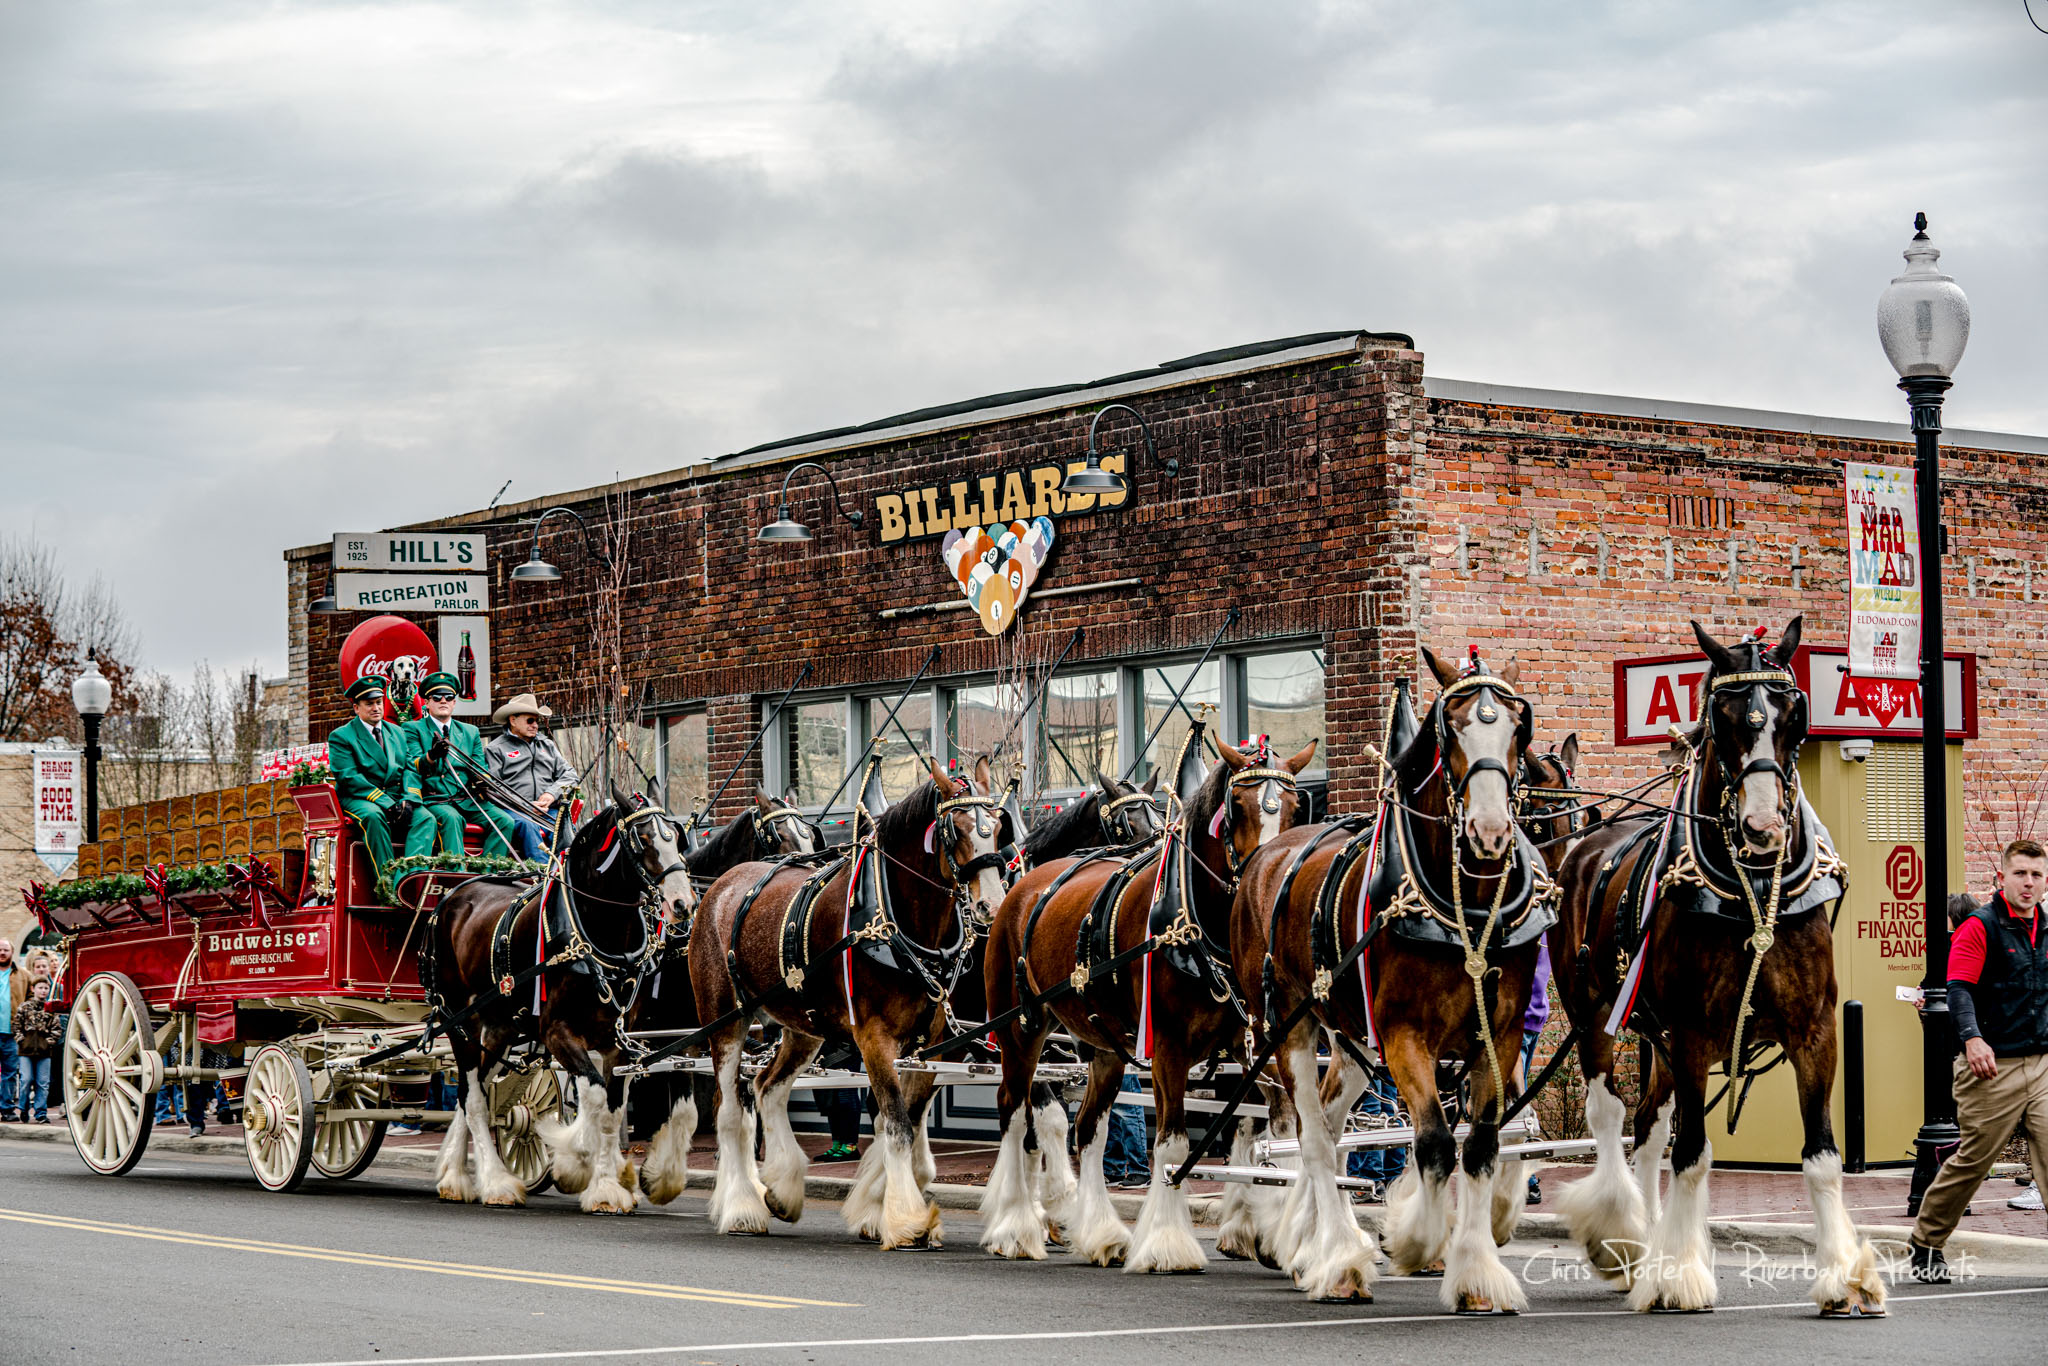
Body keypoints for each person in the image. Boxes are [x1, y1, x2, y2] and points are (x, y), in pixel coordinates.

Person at [1909, 839, 2048, 1283]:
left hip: (2042, 1064)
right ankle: (1926, 1243)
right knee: (1972, 1161)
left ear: (2045, 882)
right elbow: (1959, 989)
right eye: (2020, 874)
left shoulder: (2046, 928)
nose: (2028, 883)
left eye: (2036, 875)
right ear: (2002, 878)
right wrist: (1972, 1039)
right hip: (1992, 1068)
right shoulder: (1979, 926)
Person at [328, 676, 437, 875]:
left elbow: (409, 768)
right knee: (374, 817)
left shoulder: (397, 731)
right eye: (369, 704)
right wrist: (387, 803)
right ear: (356, 708)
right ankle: (386, 884)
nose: (376, 708)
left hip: (396, 796)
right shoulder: (341, 736)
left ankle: (409, 879)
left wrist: (409, 799)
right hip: (360, 797)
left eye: (378, 702)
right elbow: (349, 777)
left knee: (425, 819)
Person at [405, 671, 517, 859]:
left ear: (454, 702)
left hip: (466, 799)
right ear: (427, 702)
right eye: (436, 697)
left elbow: (479, 768)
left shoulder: (470, 731)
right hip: (436, 799)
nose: (443, 701)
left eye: (449, 697)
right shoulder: (413, 728)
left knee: (504, 821)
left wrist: (484, 781)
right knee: (452, 818)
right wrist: (432, 756)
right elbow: (414, 765)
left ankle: (488, 875)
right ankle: (456, 874)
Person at [485, 693, 579, 862]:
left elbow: (570, 774)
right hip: (514, 810)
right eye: (530, 720)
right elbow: (493, 787)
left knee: (565, 826)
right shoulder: (495, 749)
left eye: (537, 721)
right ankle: (543, 875)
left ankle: (571, 872)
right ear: (513, 720)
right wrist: (525, 805)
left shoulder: (547, 745)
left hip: (548, 810)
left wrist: (551, 794)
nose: (535, 725)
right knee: (528, 826)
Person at [1519, 939, 1553, 1205]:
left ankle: (1526, 1181)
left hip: (1518, 1021)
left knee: (1516, 1101)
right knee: (1520, 1097)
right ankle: (1526, 1179)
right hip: (1534, 1017)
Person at [1346, 1066, 1408, 1202]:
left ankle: (1370, 1180)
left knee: (1369, 1111)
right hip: (1386, 1050)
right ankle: (1393, 1180)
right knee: (1390, 1111)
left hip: (1366, 1051)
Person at [14, 978, 61, 1123]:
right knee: (26, 1079)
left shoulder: (50, 1009)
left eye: (46, 988)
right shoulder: (24, 1007)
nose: (43, 991)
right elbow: (16, 1026)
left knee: (43, 1083)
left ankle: (41, 1113)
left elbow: (57, 1029)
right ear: (33, 989)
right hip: (26, 1052)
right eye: (40, 987)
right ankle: (23, 1108)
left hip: (44, 1052)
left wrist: (48, 1043)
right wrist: (22, 1041)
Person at [1102, 1075, 1151, 1188]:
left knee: (1127, 1106)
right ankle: (1113, 1171)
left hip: (1123, 1059)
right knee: (1113, 1110)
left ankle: (1139, 1171)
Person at [0, 939, 22, 1122]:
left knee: (10, 1073)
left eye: (5, 949)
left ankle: (7, 1109)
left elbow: (32, 996)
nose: (2, 952)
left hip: (12, 1033)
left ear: (12, 952)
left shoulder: (23, 975)